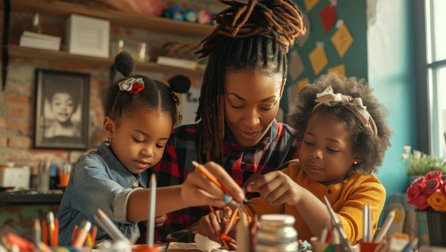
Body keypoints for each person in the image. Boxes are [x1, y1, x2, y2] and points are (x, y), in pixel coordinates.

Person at [152, 0, 306, 239]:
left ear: (282, 88)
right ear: (218, 90)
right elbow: (146, 239)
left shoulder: (299, 150)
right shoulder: (177, 147)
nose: (252, 121)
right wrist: (195, 233)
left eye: (266, 106)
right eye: (237, 104)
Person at [57, 52, 245, 244]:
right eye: (138, 139)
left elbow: (135, 212)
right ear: (110, 128)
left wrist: (150, 216)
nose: (149, 152)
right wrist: (183, 194)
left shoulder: (145, 176)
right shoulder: (88, 168)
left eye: (159, 144)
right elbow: (120, 203)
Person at [198, 73, 392, 244]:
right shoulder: (292, 174)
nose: (315, 153)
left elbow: (340, 238)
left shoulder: (369, 190)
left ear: (358, 155)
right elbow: (254, 216)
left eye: (332, 149)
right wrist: (227, 220)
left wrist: (299, 196)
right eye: (308, 142)